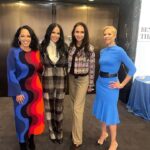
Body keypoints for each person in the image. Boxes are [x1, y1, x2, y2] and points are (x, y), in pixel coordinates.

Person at [93, 26, 136, 150]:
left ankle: (114, 141)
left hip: (111, 86)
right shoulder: (102, 51)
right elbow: (102, 68)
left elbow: (133, 69)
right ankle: (103, 133)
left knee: (110, 113)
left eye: (109, 34)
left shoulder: (120, 51)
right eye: (105, 34)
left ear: (114, 36)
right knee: (102, 111)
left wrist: (122, 84)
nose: (106, 36)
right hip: (101, 84)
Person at [7, 25, 45, 150]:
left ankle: (31, 138)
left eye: (28, 36)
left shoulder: (35, 51)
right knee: (21, 118)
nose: (25, 38)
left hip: (35, 90)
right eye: (22, 35)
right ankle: (22, 143)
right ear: (18, 37)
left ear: (32, 38)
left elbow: (39, 68)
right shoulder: (14, 52)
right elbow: (11, 72)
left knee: (33, 116)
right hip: (21, 91)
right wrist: (17, 92)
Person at [68, 22, 95, 148]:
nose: (79, 34)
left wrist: (90, 85)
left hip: (83, 81)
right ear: (73, 33)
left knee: (77, 109)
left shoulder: (90, 48)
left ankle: (77, 139)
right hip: (71, 79)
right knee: (74, 106)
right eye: (77, 31)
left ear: (85, 34)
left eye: (82, 32)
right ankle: (75, 132)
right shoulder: (70, 46)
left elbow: (92, 68)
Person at [40, 23, 68, 144]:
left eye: (58, 33)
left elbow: (67, 65)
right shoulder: (42, 46)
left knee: (59, 108)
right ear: (49, 33)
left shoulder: (64, 47)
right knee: (48, 107)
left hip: (61, 81)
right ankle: (52, 131)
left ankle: (59, 130)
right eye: (53, 32)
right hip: (47, 80)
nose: (55, 35)